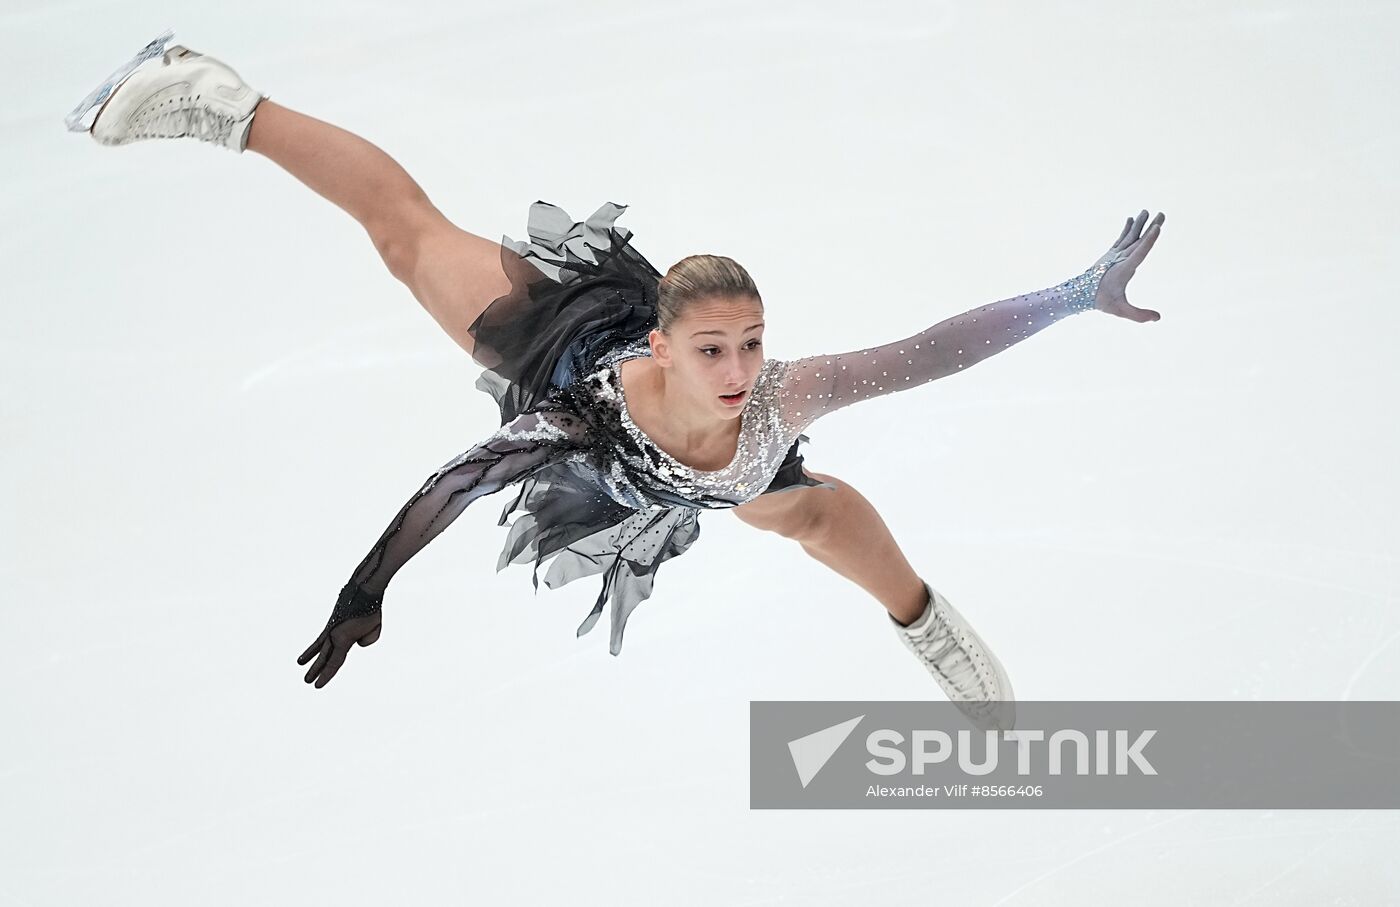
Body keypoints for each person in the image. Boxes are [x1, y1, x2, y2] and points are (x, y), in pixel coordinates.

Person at [67, 32, 1165, 733]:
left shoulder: (777, 396)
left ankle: (923, 620)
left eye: (751, 342)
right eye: (713, 349)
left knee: (807, 511)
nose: (740, 371)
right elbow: (454, 485)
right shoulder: (575, 412)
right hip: (567, 353)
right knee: (406, 239)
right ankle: (214, 96)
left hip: (720, 475)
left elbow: (933, 350)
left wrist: (1077, 291)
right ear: (664, 347)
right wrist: (367, 590)